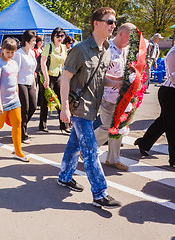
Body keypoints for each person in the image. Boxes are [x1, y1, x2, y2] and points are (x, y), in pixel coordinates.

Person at [58, 7, 122, 208]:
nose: (113, 25)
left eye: (114, 22)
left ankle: (65, 176)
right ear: (96, 23)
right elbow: (65, 79)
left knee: (74, 144)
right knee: (91, 150)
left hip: (94, 107)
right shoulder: (80, 49)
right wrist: (64, 108)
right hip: (79, 107)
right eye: (109, 21)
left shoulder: (106, 50)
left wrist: (125, 85)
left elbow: (102, 80)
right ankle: (100, 192)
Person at [94, 23, 137, 171]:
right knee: (106, 127)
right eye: (130, 38)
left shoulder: (126, 50)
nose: (131, 42)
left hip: (122, 97)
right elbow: (99, 75)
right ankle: (86, 149)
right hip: (107, 95)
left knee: (119, 126)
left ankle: (113, 158)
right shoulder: (107, 48)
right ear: (121, 34)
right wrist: (119, 81)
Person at [0, 38, 30, 162]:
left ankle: (18, 151)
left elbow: (15, 81)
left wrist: (18, 96)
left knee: (18, 124)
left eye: (12, 52)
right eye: (8, 52)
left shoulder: (14, 63)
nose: (10, 54)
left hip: (14, 99)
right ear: (3, 50)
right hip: (1, 100)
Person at [134, 45, 175, 168]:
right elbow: (173, 77)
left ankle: (144, 143)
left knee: (164, 122)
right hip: (170, 92)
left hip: (170, 92)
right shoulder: (173, 53)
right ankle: (173, 159)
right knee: (172, 126)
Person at [39, 27, 69, 133]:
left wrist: (67, 76)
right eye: (58, 36)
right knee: (46, 101)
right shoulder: (48, 46)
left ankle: (64, 125)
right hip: (48, 75)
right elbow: (43, 62)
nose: (60, 38)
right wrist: (46, 78)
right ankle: (42, 125)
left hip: (59, 76)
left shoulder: (64, 47)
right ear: (53, 36)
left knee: (60, 99)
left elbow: (64, 63)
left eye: (62, 36)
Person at [13, 30, 37, 144]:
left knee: (33, 106)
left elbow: (33, 71)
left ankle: (21, 125)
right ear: (26, 41)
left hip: (30, 82)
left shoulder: (32, 53)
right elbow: (15, 71)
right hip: (20, 82)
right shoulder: (19, 54)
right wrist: (15, 88)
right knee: (25, 108)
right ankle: (23, 133)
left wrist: (34, 84)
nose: (35, 43)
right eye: (33, 41)